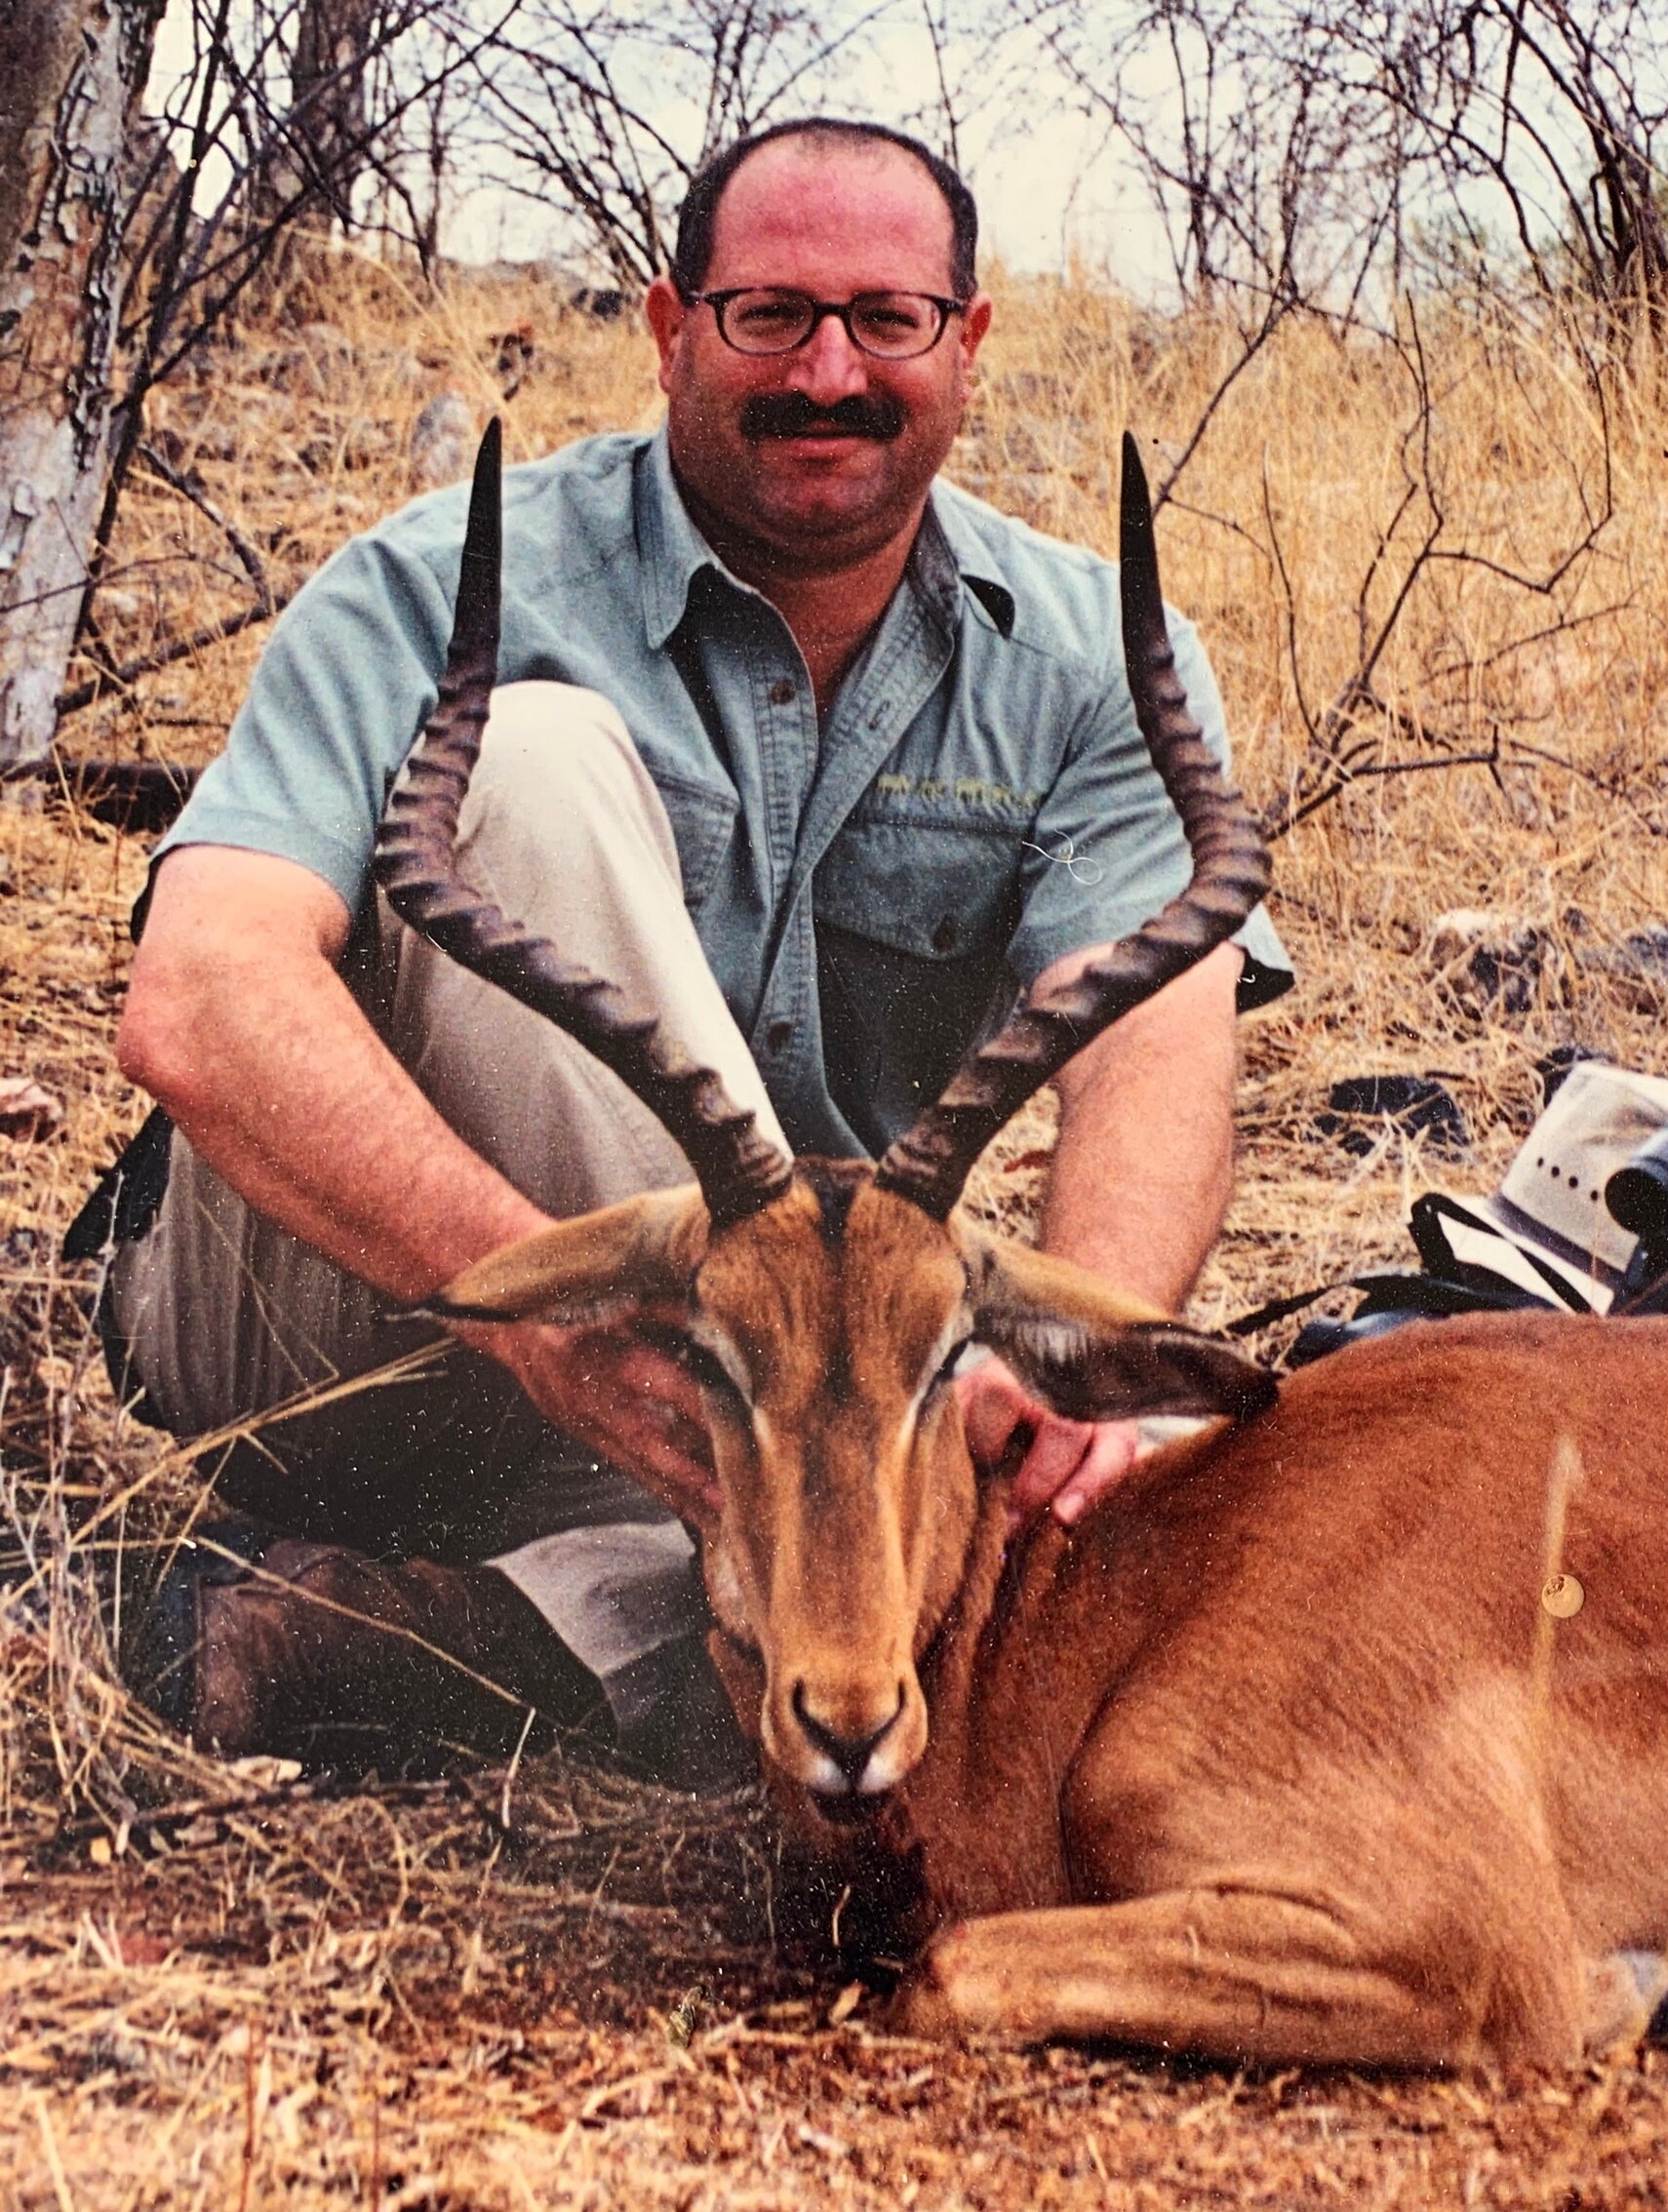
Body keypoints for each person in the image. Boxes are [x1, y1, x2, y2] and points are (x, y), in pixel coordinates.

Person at [88, 116, 1290, 1780]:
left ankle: (484, 1646)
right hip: (370, 1331)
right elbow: (200, 1002)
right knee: (530, 767)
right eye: (769, 315)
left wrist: (1068, 1379)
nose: (830, 371)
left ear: (968, 345)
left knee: (937, 1450)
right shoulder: (443, 585)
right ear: (670, 327)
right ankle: (823, 1607)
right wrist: (543, 1320)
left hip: (748, 1428)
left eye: (888, 319)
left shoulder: (1086, 654)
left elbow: (1155, 1043)